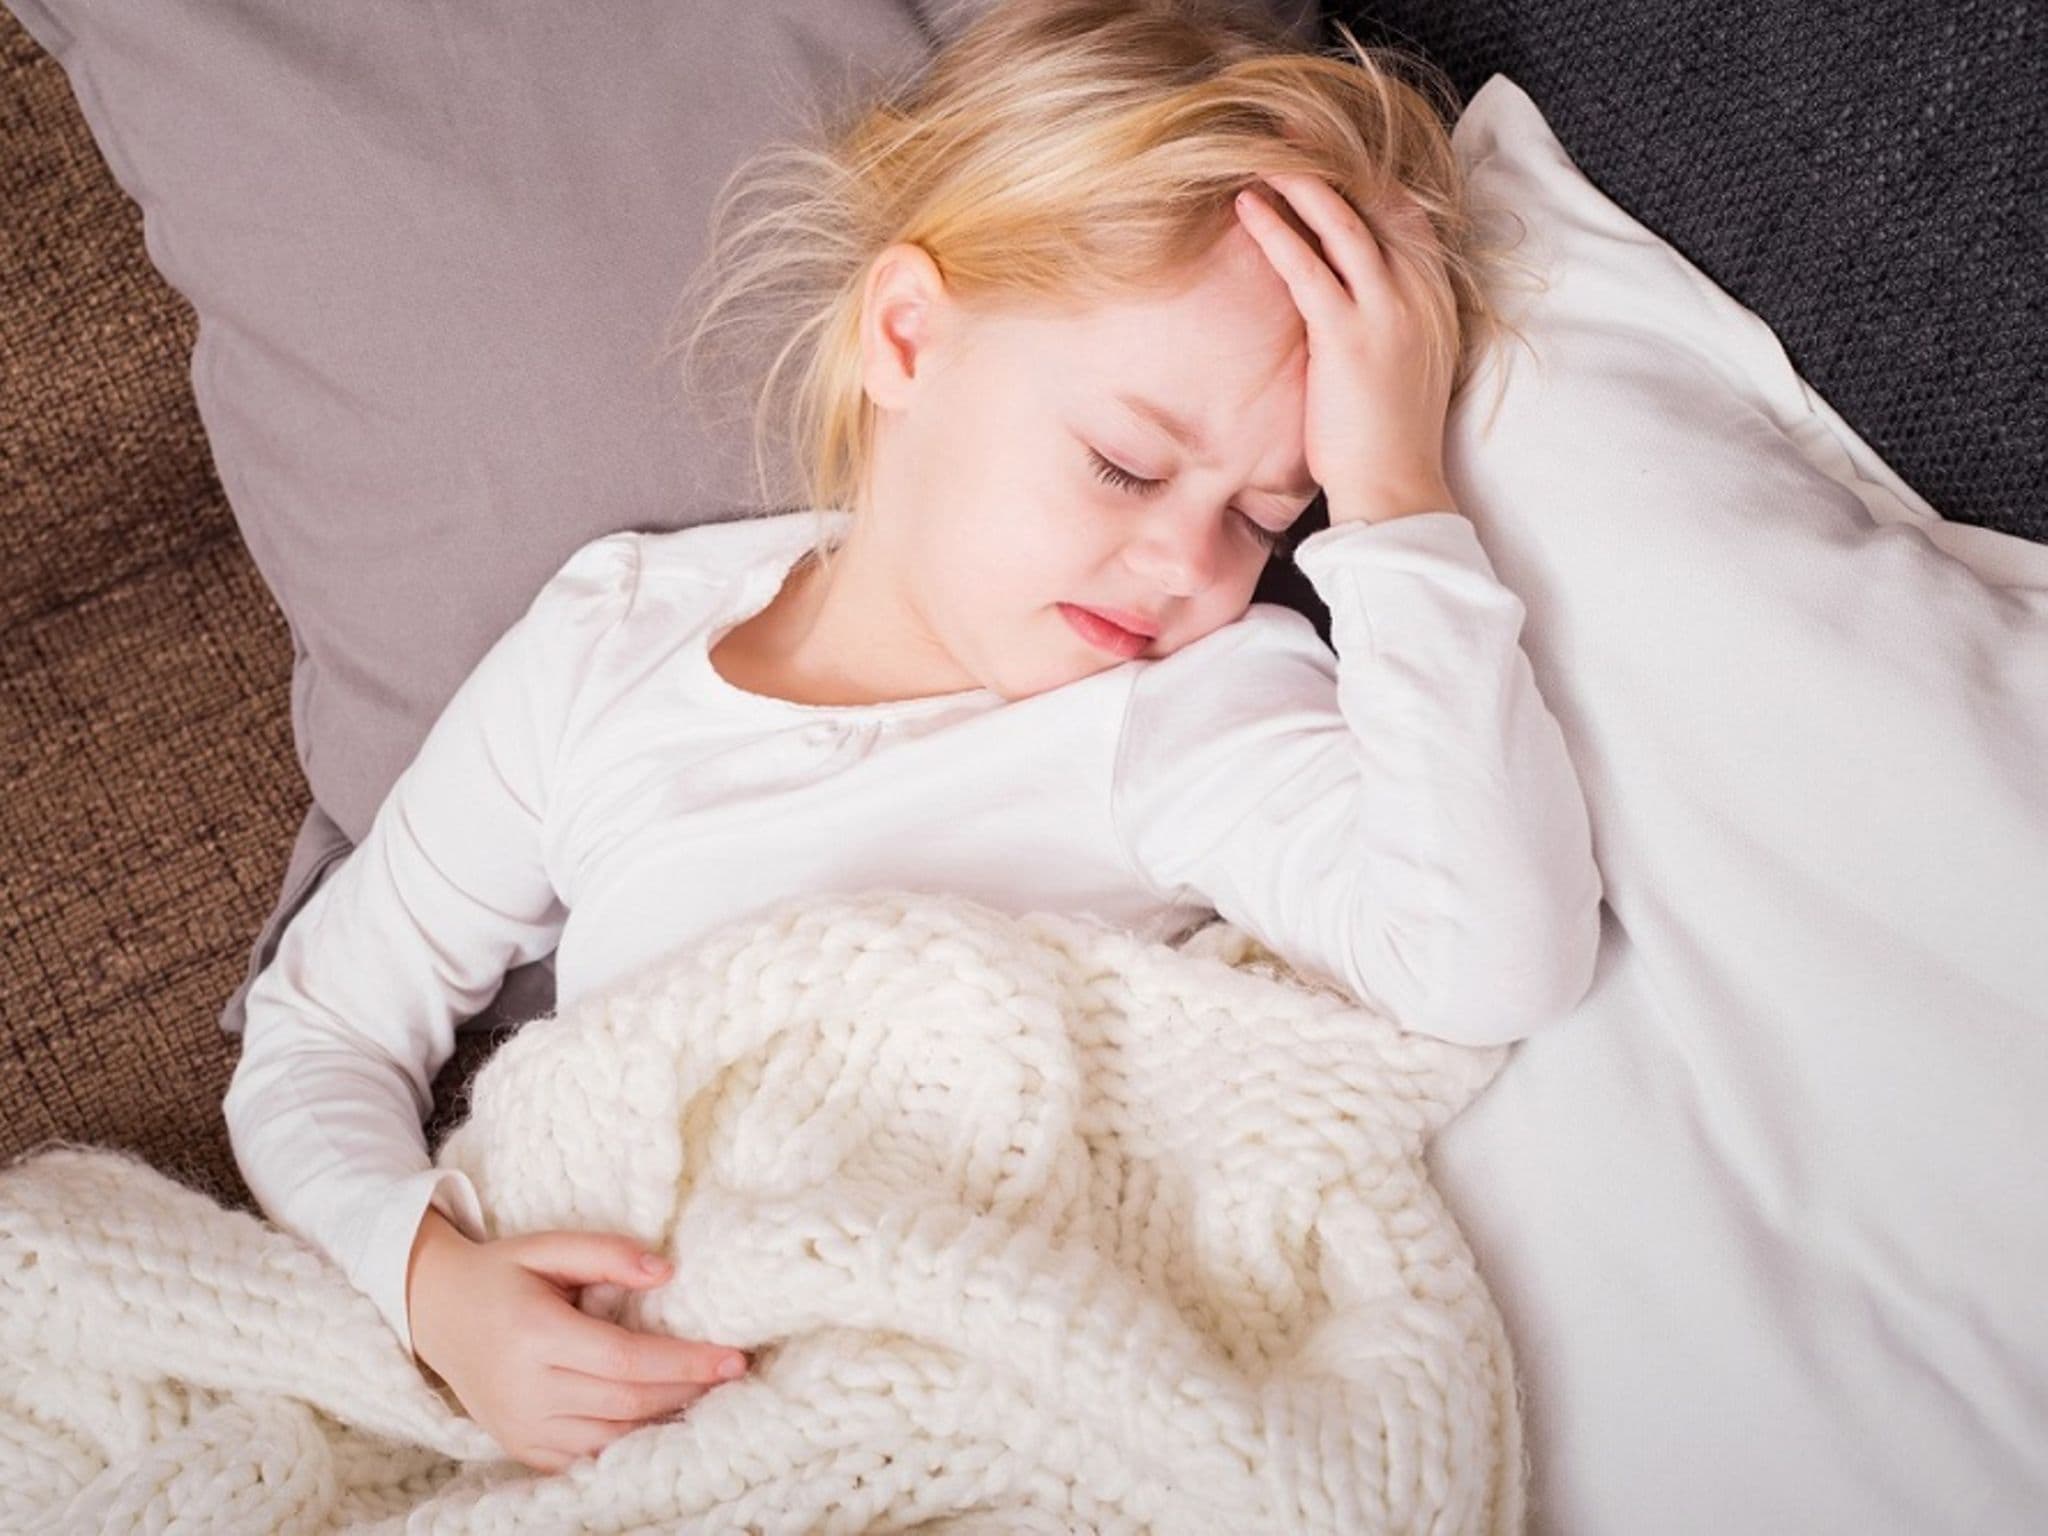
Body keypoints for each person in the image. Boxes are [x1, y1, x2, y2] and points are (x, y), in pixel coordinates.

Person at [223, 0, 1600, 1476]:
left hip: (993, 1378)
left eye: (1268, 515)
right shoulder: (607, 649)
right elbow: (322, 1032)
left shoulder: (1188, 703)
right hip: (656, 1398)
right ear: (906, 337)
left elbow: (1489, 965)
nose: (1186, 566)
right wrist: (436, 1291)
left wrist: (1393, 498)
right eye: (1124, 465)